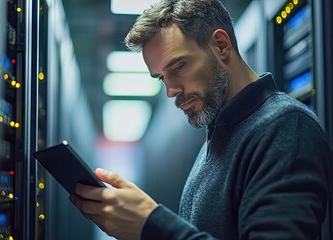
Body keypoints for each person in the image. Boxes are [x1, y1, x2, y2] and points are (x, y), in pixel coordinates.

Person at [69, 0, 333, 239]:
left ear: (221, 45)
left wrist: (151, 225)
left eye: (179, 67)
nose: (171, 90)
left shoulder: (286, 128)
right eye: (162, 77)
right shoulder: (214, 140)